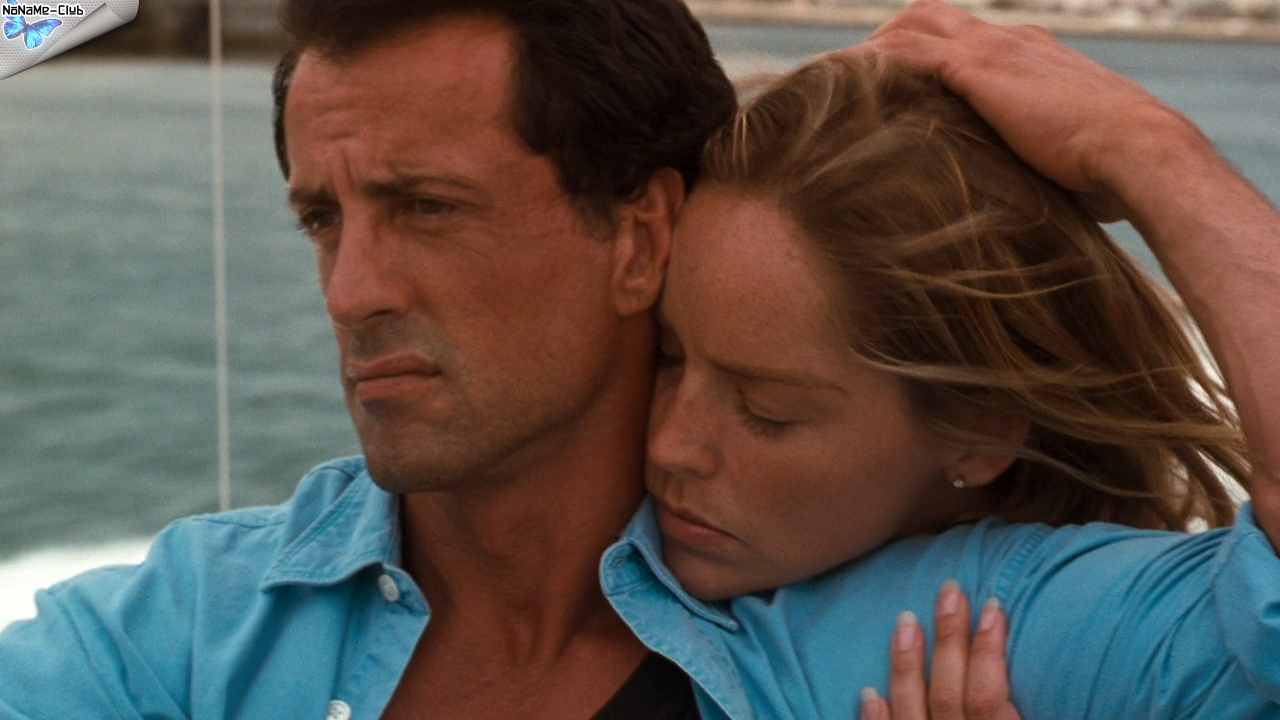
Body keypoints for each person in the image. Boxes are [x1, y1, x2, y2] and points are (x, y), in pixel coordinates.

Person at [0, 1, 1269, 719]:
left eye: (427, 208)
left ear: (641, 236)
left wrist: (1149, 156)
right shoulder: (194, 629)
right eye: (323, 220)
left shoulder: (931, 643)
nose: (350, 292)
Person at [617, 8, 1280, 719]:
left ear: (980, 430)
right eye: (668, 357)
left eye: (765, 410)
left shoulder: (1037, 621)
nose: (669, 446)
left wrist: (1151, 151)